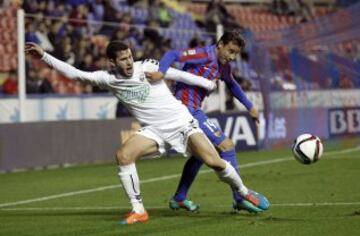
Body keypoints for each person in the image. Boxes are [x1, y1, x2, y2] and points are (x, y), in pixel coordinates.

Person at [25, 41, 269, 225]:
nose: (129, 62)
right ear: (113, 62)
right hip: (155, 131)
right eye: (123, 59)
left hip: (182, 123)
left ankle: (245, 193)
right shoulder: (108, 79)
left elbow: (177, 73)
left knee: (214, 162)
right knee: (123, 156)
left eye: (130, 56)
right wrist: (44, 56)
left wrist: (205, 84)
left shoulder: (148, 67)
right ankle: (138, 210)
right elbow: (75, 73)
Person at [146, 31, 269, 213]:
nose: (232, 57)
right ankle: (239, 197)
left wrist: (250, 107)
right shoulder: (204, 54)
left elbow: (232, 84)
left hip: (193, 110)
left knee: (199, 155)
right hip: (185, 108)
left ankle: (179, 198)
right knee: (227, 146)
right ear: (220, 44)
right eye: (231, 51)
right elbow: (173, 54)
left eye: (235, 53)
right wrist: (160, 73)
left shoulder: (222, 66)